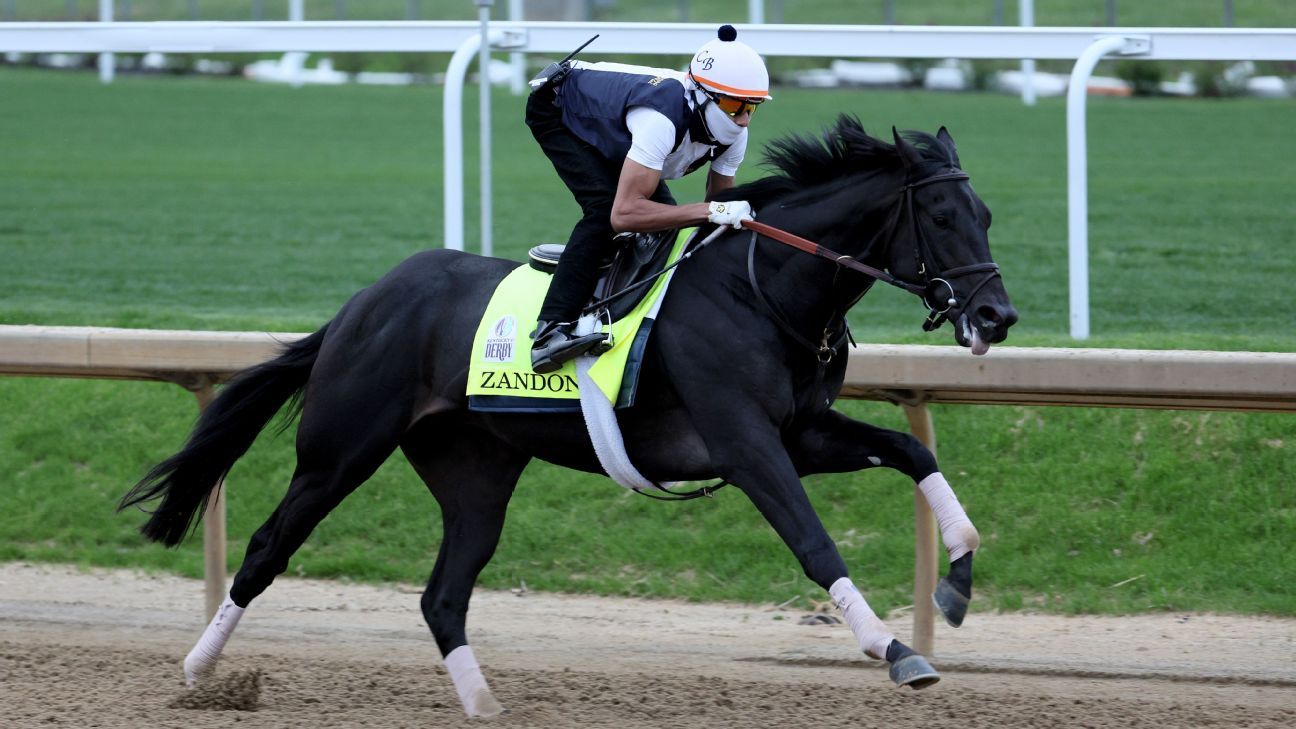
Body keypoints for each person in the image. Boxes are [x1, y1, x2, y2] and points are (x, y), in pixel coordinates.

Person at [525, 24, 771, 373]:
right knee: (604, 211)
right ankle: (551, 329)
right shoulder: (660, 119)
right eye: (734, 106)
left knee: (665, 224)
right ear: (701, 94)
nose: (744, 121)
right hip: (560, 110)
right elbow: (624, 214)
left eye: (753, 108)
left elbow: (717, 213)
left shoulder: (734, 135)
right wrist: (712, 210)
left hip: (620, 121)